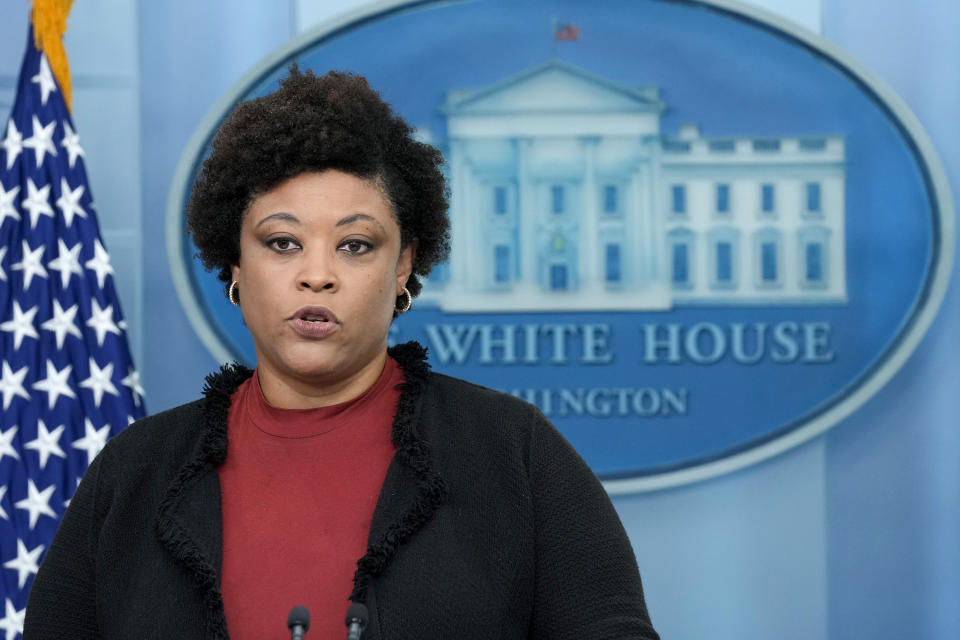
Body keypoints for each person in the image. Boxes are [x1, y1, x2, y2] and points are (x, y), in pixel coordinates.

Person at [24, 66, 659, 640]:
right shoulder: (133, 471)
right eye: (282, 243)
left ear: (404, 266)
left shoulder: (514, 453)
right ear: (235, 264)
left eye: (355, 245)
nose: (317, 275)